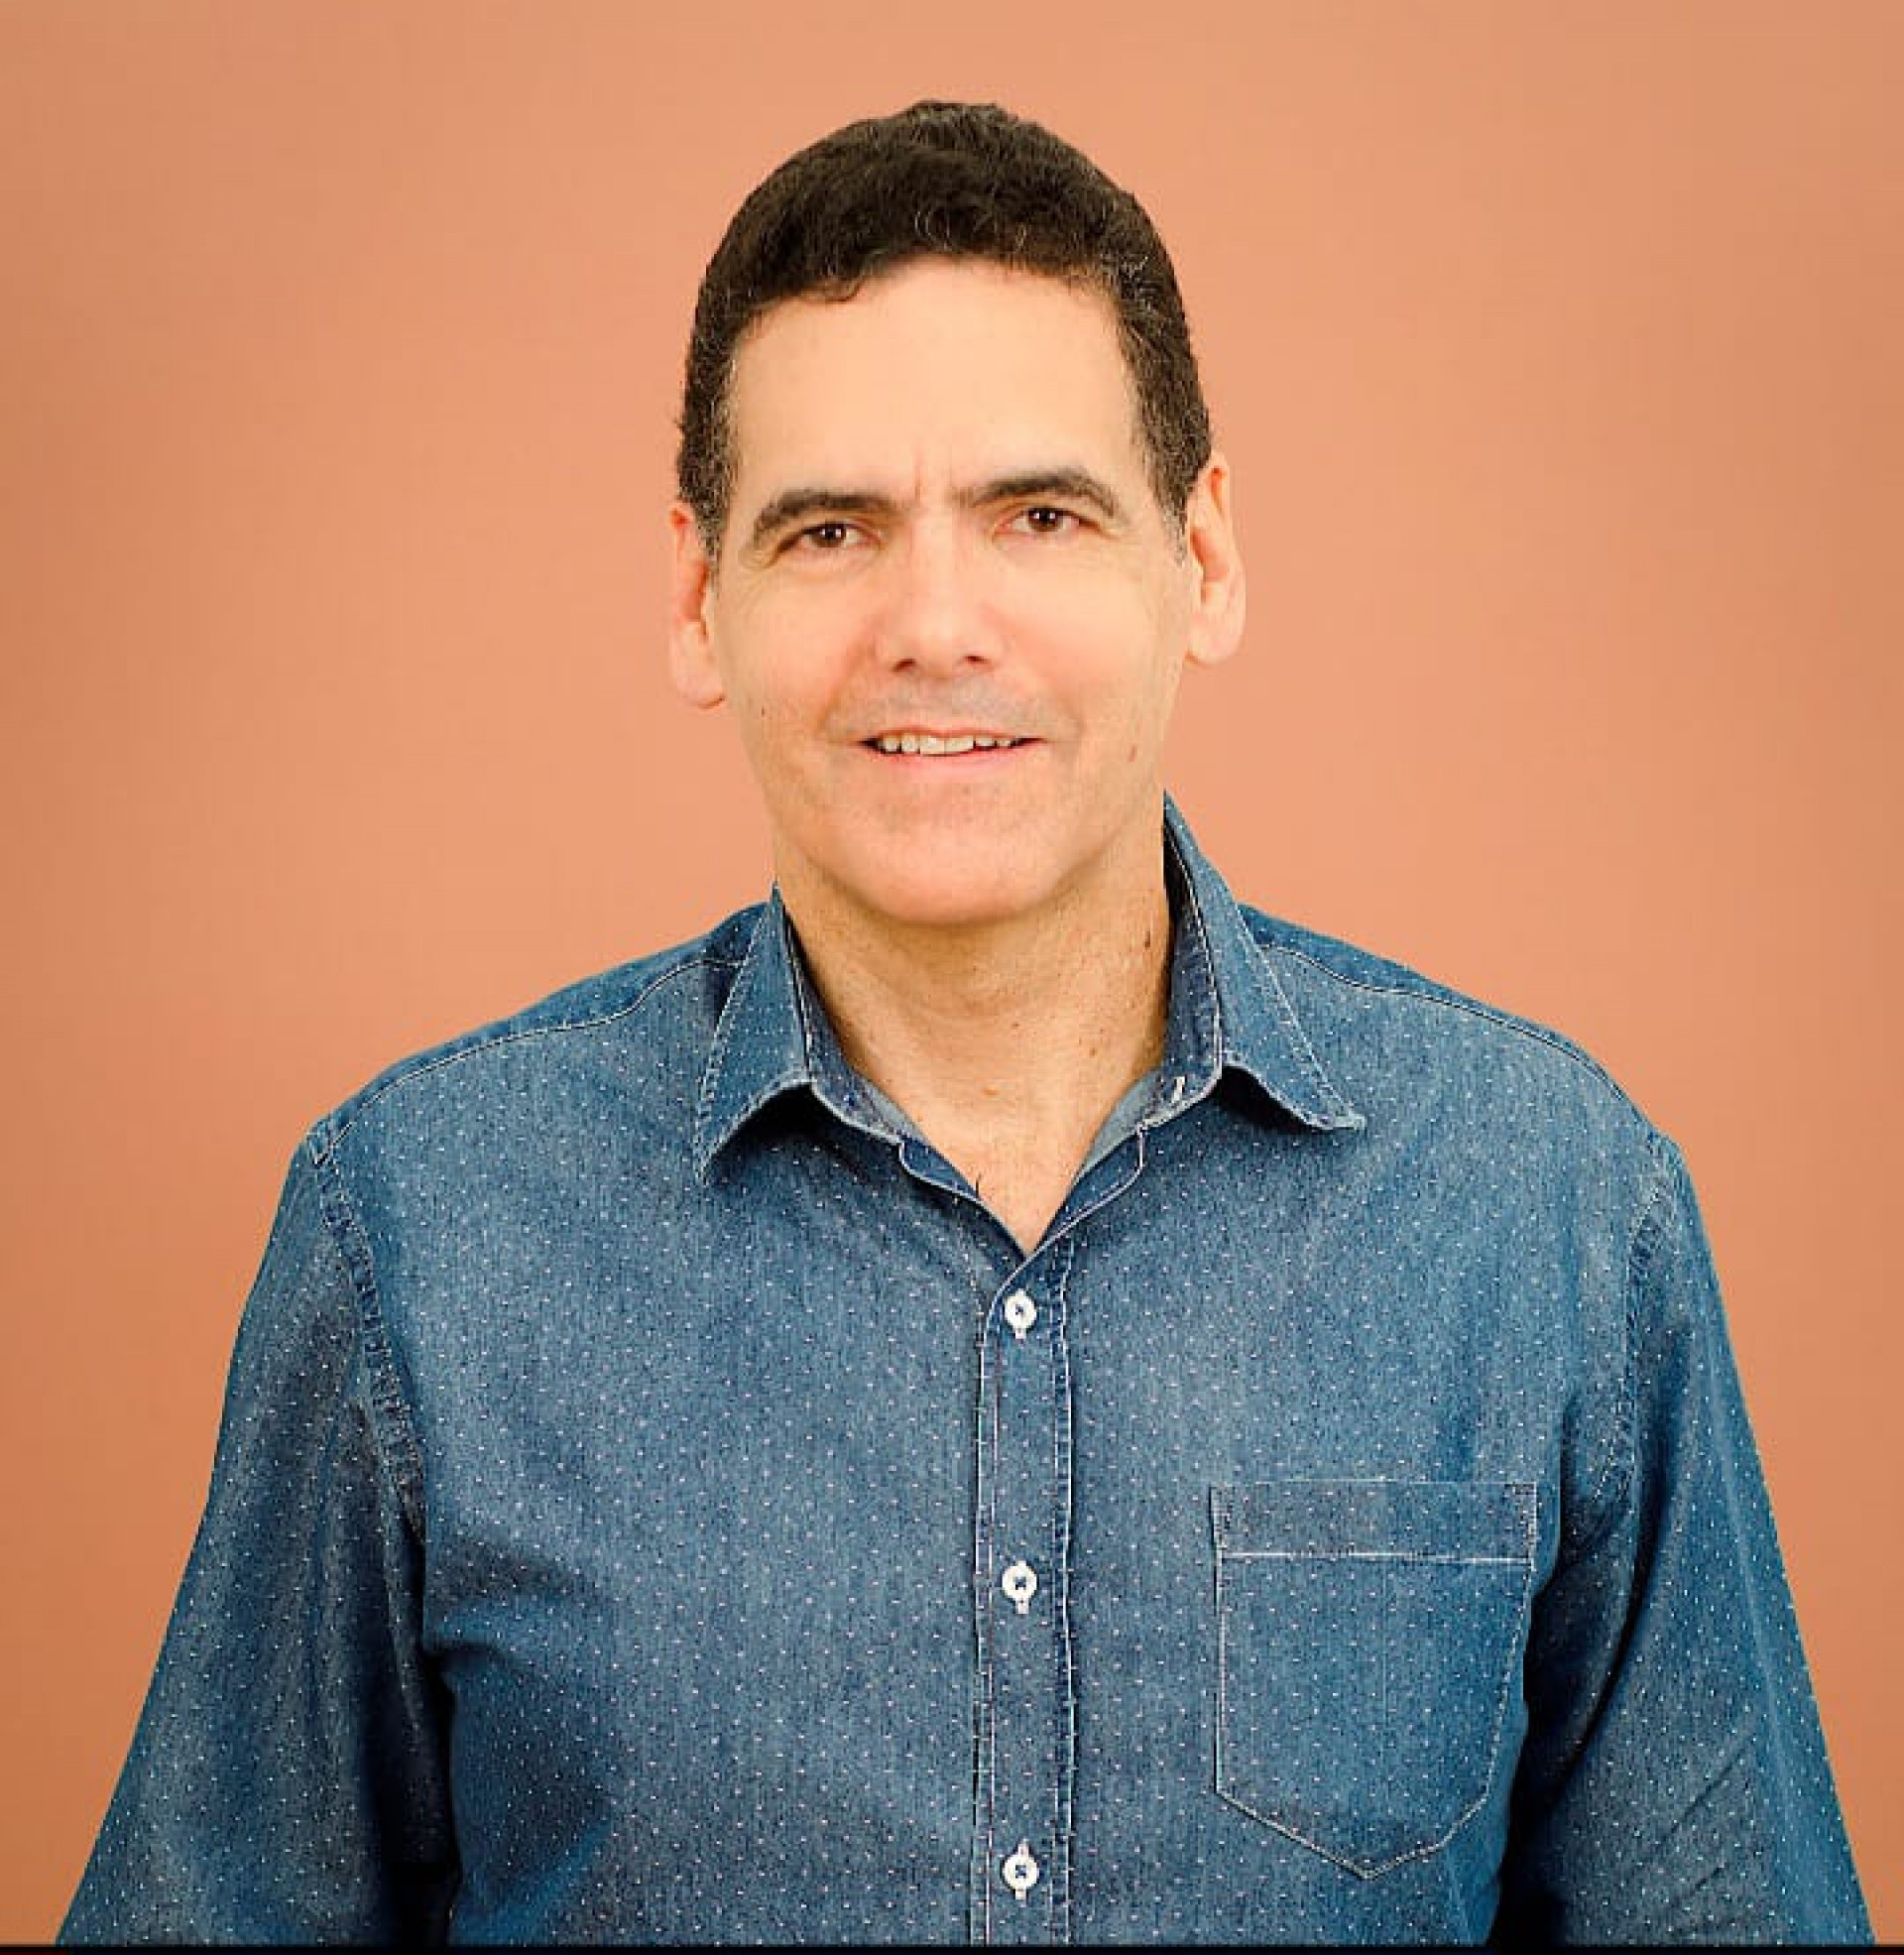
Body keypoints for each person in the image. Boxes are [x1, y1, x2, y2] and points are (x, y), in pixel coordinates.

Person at [63, 100, 1868, 1945]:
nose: (935, 623)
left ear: (1203, 559)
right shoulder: (421, 1233)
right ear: (698, 597)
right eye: (831, 528)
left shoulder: (1547, 1209)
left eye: (1040, 516)